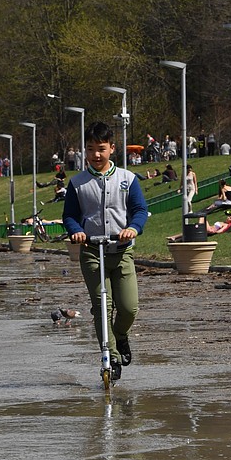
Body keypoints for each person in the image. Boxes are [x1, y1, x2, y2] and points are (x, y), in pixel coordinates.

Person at [63, 121, 148, 383]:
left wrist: (133, 228)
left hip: (121, 252)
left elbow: (140, 211)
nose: (96, 155)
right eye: (90, 149)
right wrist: (76, 231)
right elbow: (70, 216)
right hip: (91, 252)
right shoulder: (77, 183)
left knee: (128, 307)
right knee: (102, 306)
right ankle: (110, 356)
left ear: (112, 148)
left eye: (101, 149)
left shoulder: (128, 179)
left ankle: (120, 336)